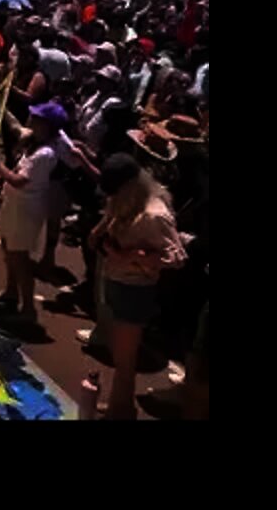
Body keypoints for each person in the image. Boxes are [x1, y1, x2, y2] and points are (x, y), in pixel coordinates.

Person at [88, 153, 187, 420]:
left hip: (135, 288)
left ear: (129, 186)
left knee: (125, 360)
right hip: (118, 280)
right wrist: (100, 233)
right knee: (120, 357)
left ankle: (121, 411)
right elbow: (111, 215)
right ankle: (121, 406)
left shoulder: (155, 214)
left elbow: (177, 257)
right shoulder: (127, 201)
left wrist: (133, 256)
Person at [0, 102, 90, 326]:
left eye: (37, 118)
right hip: (15, 205)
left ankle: (28, 310)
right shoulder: (33, 145)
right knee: (8, 248)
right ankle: (11, 292)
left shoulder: (45, 154)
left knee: (20, 258)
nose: (31, 119)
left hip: (26, 210)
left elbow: (20, 181)